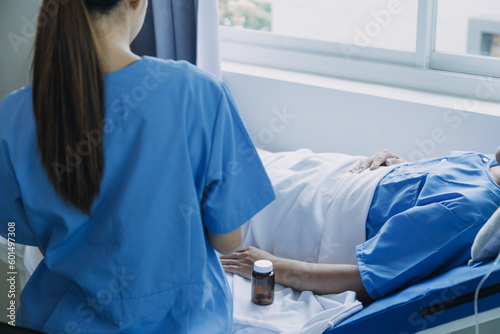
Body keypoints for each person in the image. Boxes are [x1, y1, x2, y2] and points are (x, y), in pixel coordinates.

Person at [0, 0, 275, 332]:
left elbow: (27, 234)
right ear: (135, 2)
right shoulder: (200, 93)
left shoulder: (11, 116)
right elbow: (228, 241)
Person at [221, 147, 500, 305]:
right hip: (342, 176)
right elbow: (435, 192)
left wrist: (273, 267)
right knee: (236, 160)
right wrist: (404, 170)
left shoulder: (467, 213)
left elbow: (368, 281)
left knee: (219, 187)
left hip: (323, 213)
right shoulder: (484, 161)